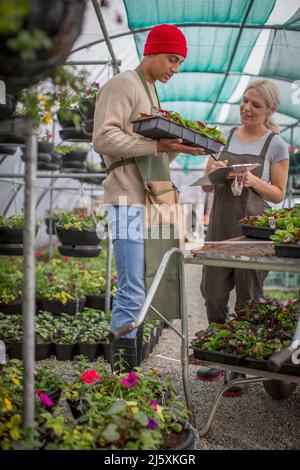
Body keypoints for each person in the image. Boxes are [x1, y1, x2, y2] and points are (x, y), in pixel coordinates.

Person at [92, 24, 205, 372]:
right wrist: (157, 144)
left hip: (151, 201)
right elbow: (103, 138)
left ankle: (130, 373)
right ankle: (121, 378)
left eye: (180, 63)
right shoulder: (122, 85)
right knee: (131, 288)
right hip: (126, 201)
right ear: (152, 51)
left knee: (149, 282)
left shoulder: (152, 94)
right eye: (172, 59)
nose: (176, 68)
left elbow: (152, 153)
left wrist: (177, 149)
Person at [197, 80, 289, 394]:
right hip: (221, 227)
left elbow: (277, 194)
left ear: (270, 111)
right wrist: (213, 170)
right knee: (214, 295)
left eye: (256, 105)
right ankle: (220, 355)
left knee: (249, 299)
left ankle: (239, 365)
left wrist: (251, 179)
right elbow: (207, 186)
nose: (246, 108)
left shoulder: (275, 144)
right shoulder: (223, 137)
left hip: (254, 230)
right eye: (245, 101)